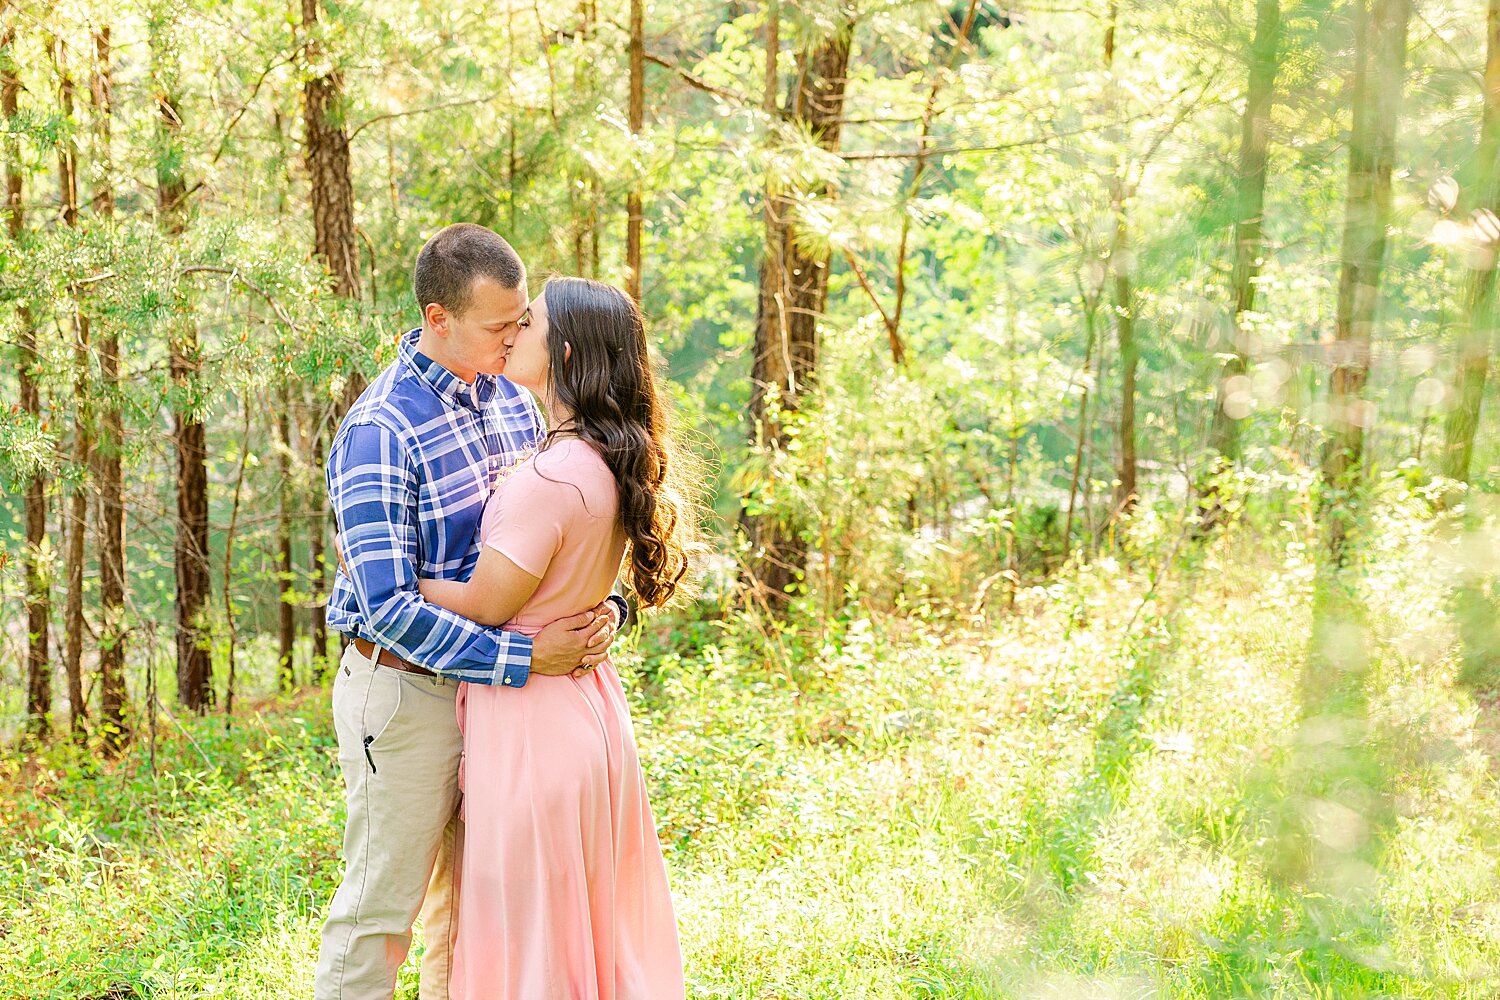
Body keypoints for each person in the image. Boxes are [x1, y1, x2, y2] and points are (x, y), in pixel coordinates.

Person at [315, 224, 627, 1000]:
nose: (517, 337)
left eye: (523, 321)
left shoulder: (513, 404)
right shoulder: (380, 431)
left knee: (469, 914)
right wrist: (525, 660)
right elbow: (384, 606)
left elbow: (551, 540)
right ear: (437, 318)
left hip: (494, 707)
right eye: (499, 326)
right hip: (408, 695)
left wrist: (605, 604)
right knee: (381, 912)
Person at [416, 276, 690, 999]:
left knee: (534, 937)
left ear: (562, 351)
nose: (512, 329)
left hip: (535, 724)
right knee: (586, 928)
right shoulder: (596, 457)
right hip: (587, 711)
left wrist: (386, 580)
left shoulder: (551, 476)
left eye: (527, 321)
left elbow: (484, 604)